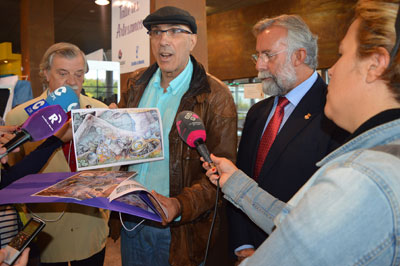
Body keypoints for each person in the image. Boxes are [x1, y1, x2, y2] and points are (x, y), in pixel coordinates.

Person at [203, 0, 400, 264]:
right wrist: (236, 183)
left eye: (343, 55)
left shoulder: (361, 176)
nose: (332, 68)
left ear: (376, 64)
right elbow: (296, 219)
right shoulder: (378, 157)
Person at [113, 6, 237, 266]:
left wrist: (178, 205)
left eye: (174, 32)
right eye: (156, 32)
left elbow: (221, 174)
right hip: (131, 219)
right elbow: (125, 150)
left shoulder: (215, 96)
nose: (163, 40)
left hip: (180, 231)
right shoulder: (136, 85)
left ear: (192, 40)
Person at [227, 14, 348, 262]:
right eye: (257, 56)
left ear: (299, 56)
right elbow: (240, 179)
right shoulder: (257, 113)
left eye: (268, 55)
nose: (259, 66)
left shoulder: (335, 112)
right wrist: (243, 245)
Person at [5, 43, 109, 265]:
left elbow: (112, 168)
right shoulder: (20, 117)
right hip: (47, 232)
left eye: (78, 74)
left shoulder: (102, 111)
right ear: (46, 73)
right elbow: (12, 180)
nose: (72, 81)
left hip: (91, 228)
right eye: (63, 73)